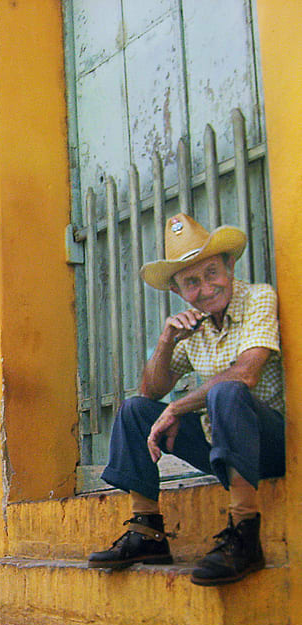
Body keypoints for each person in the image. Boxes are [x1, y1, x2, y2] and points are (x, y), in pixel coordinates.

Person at [89, 212, 285, 586]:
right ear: (178, 292)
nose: (206, 287)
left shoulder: (258, 298)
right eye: (191, 282)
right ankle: (147, 531)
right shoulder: (193, 325)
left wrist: (179, 408)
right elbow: (150, 392)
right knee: (135, 409)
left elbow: (246, 372)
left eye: (212, 272)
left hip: (270, 444)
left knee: (227, 391)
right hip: (221, 450)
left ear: (229, 265)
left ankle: (244, 534)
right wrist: (165, 343)